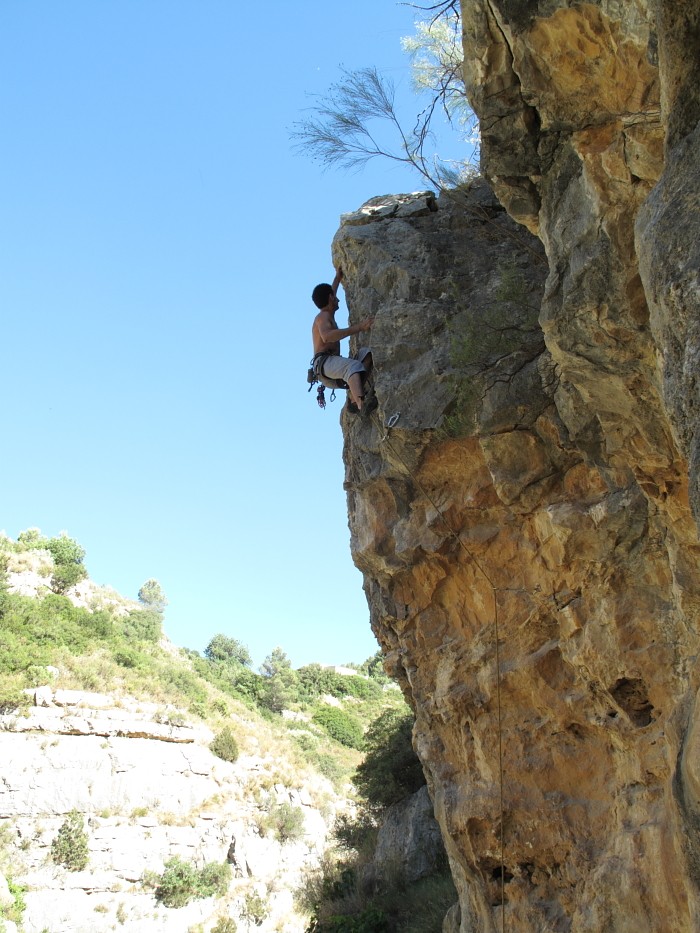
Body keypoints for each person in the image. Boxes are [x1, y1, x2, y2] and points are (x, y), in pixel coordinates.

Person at [311, 267, 375, 414]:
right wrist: (359, 327)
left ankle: (353, 399)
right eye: (334, 297)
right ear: (330, 299)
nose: (337, 298)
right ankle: (361, 405)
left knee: (367, 354)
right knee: (351, 366)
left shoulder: (327, 312)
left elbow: (330, 292)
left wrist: (337, 278)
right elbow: (327, 336)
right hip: (325, 364)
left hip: (330, 365)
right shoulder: (322, 318)